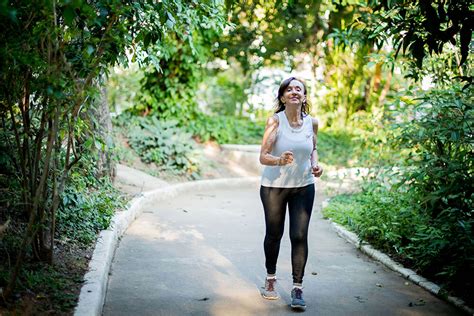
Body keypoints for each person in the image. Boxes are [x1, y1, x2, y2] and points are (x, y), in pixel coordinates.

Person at [259, 77, 323, 310]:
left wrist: (316, 165)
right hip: (274, 187)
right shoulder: (275, 122)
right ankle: (271, 280)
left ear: (304, 96)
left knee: (299, 236)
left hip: (303, 186)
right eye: (289, 89)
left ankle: (297, 287)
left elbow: (313, 148)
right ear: (283, 96)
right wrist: (279, 160)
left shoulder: (312, 123)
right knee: (274, 234)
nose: (294, 92)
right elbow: (263, 155)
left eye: (299, 89)